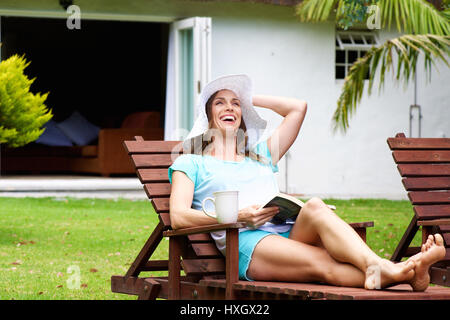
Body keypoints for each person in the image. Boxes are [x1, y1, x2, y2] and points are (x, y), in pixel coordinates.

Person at [168, 74, 446, 291]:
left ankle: (400, 271)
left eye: (235, 103)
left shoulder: (261, 156)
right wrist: (237, 215)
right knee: (324, 263)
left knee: (314, 206)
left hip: (286, 230)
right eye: (220, 102)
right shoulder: (191, 161)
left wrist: (248, 96)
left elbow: (297, 108)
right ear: (208, 116)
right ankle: (402, 272)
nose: (229, 107)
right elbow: (178, 217)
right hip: (245, 240)